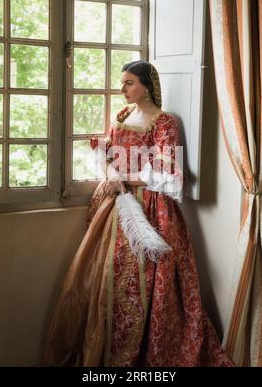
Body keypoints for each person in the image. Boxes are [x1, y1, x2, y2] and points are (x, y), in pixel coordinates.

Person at [44, 61, 234, 367]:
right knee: (105, 277)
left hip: (149, 207)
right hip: (116, 205)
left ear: (147, 85)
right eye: (122, 83)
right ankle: (105, 352)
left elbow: (167, 172)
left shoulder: (163, 122)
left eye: (128, 83)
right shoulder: (122, 115)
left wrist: (124, 179)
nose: (122, 89)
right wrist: (110, 173)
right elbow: (105, 152)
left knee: (145, 279)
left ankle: (144, 353)